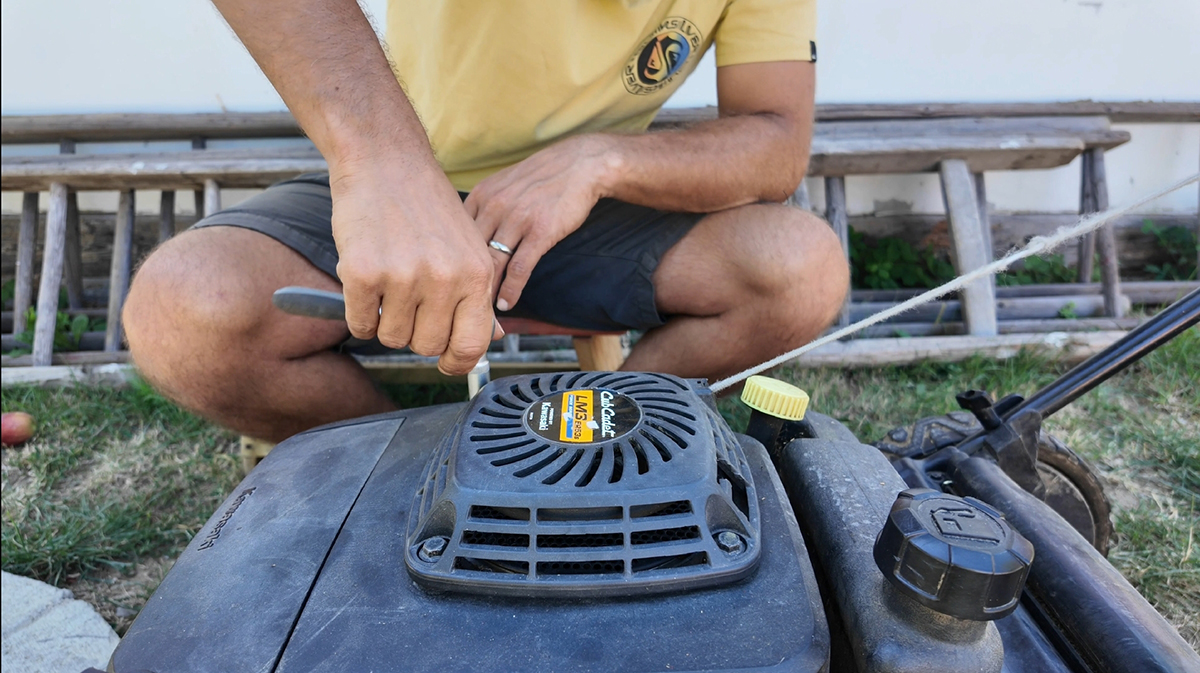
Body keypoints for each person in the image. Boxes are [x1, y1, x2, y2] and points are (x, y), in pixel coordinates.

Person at [123, 0, 849, 443]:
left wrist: (596, 162)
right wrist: (382, 165)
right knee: (183, 311)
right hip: (405, 173)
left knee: (800, 268)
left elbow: (775, 141)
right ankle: (411, 461)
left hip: (593, 216)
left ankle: (594, 442)